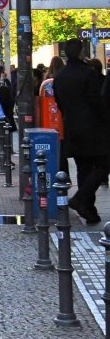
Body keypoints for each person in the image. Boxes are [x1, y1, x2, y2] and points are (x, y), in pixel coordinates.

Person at [55, 39, 110, 224]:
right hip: (93, 129)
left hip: (71, 128)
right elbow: (97, 102)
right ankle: (80, 200)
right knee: (104, 164)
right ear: (81, 53)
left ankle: (89, 209)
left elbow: (60, 103)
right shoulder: (88, 74)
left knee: (83, 168)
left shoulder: (60, 76)